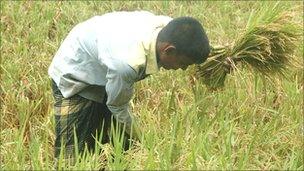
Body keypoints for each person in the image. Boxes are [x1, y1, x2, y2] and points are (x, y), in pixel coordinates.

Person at [48, 10, 210, 164]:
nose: (182, 69)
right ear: (168, 50)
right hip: (76, 72)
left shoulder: (169, 28)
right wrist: (142, 141)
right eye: (183, 63)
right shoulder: (127, 63)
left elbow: (194, 40)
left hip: (104, 59)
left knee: (116, 144)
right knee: (71, 155)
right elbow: (117, 107)